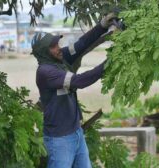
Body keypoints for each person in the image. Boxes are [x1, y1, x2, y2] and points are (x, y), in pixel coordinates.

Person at [31, 14, 116, 168]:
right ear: (44, 52)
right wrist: (111, 61)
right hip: (60, 140)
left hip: (76, 133)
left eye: (57, 43)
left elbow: (80, 44)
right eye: (53, 46)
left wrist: (102, 25)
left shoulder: (60, 57)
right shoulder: (45, 72)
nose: (58, 48)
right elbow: (80, 81)